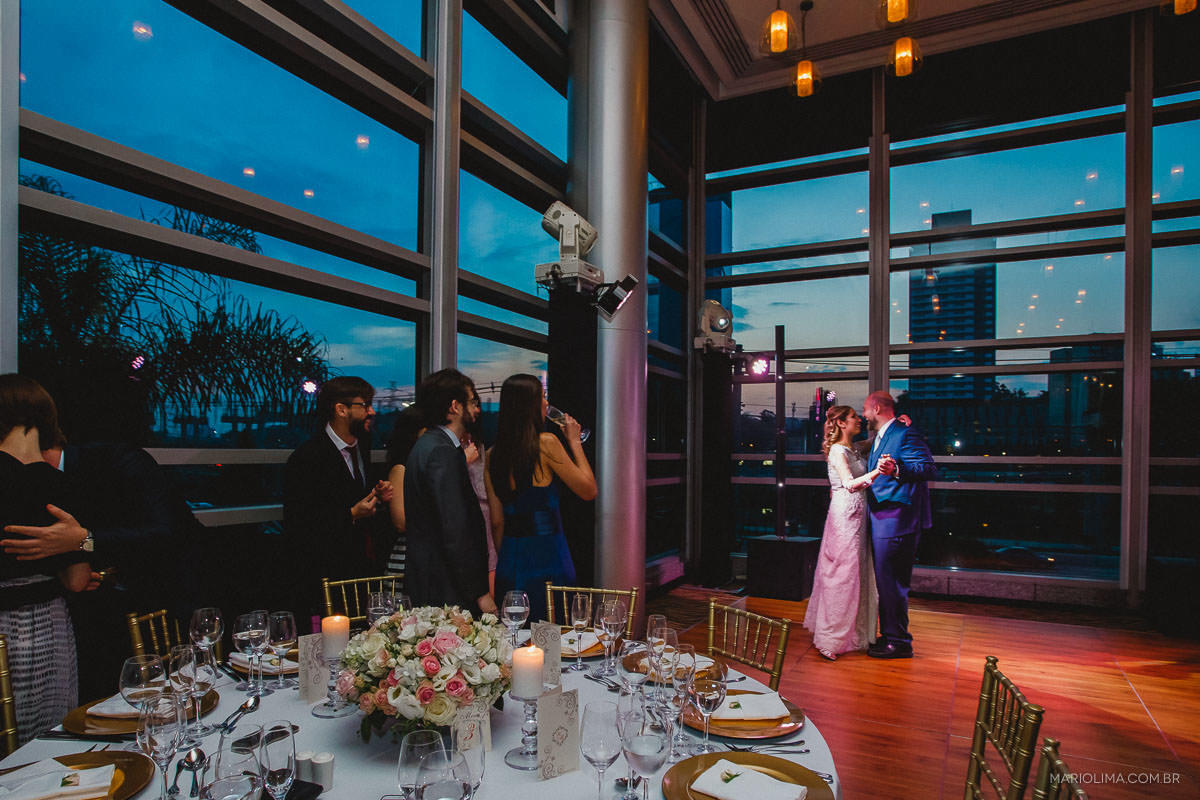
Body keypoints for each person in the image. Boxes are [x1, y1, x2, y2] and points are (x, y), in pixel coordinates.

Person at [2, 430, 205, 703]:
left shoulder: (119, 460)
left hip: (169, 596)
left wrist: (86, 542)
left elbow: (167, 532)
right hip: (101, 615)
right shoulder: (37, 488)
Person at [0, 375, 90, 743]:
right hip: (44, 628)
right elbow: (77, 581)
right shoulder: (61, 486)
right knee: (43, 741)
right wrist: (79, 543)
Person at [485, 374, 596, 624]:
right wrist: (575, 442)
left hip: (510, 559)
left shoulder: (493, 455)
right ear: (530, 405)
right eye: (543, 397)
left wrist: (510, 558)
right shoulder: (546, 443)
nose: (547, 404)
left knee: (515, 636)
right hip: (548, 556)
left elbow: (496, 521)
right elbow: (588, 489)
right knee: (550, 636)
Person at [283, 376, 393, 618]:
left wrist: (377, 495)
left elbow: (353, 494)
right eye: (364, 405)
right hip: (326, 579)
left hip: (362, 572)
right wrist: (351, 514)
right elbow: (300, 524)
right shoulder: (307, 458)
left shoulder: (361, 448)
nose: (372, 412)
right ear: (341, 409)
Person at [404, 369, 494, 616]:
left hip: (433, 579)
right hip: (445, 587)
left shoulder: (427, 445)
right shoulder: (442, 452)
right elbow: (455, 530)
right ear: (455, 406)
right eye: (472, 402)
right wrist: (480, 592)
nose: (477, 409)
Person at [803, 406, 884, 661]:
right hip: (844, 515)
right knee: (842, 575)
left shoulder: (854, 448)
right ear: (840, 423)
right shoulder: (838, 451)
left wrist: (888, 425)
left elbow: (872, 441)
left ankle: (853, 634)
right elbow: (849, 484)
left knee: (856, 573)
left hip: (859, 516)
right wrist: (878, 471)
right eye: (853, 418)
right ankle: (830, 638)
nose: (858, 420)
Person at [862, 390, 937, 659]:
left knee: (892, 582)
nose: (864, 415)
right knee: (887, 582)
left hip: (897, 520)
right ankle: (891, 636)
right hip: (885, 519)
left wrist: (896, 470)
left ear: (879, 408)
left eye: (866, 409)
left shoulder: (904, 433)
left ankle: (899, 642)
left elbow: (928, 468)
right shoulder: (887, 434)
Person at [383, 405, 425, 579]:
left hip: (424, 554)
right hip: (407, 557)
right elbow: (401, 522)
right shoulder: (401, 469)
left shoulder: (422, 467)